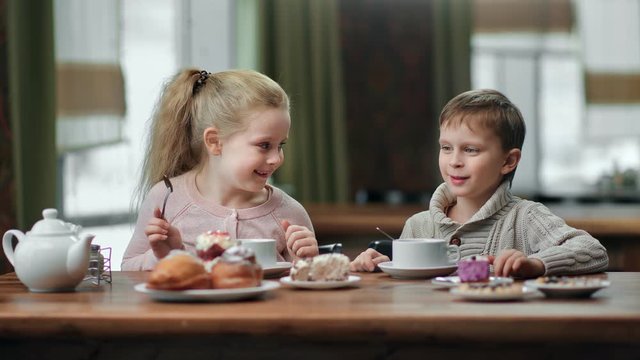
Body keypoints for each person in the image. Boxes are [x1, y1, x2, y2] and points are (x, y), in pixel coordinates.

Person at [350, 89, 609, 278]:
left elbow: (593, 251)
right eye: (446, 148)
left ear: (508, 161)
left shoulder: (525, 218)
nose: (454, 161)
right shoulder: (419, 225)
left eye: (471, 150)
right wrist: (380, 266)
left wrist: (536, 264)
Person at [122, 69, 318, 271]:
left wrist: (305, 262)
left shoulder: (289, 213)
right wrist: (162, 257)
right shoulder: (167, 199)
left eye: (281, 145)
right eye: (264, 145)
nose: (276, 158)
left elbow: (308, 289)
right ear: (215, 142)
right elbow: (127, 268)